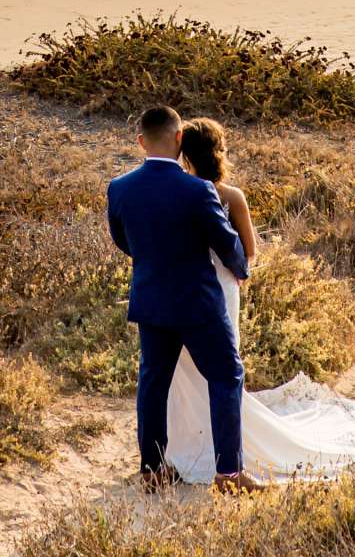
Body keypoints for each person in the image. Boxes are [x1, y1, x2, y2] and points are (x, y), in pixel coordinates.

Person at [163, 114, 355, 485]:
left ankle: (185, 446)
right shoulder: (230, 196)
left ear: (182, 152)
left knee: (184, 370)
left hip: (178, 290)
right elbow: (249, 250)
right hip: (221, 287)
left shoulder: (174, 193)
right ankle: (224, 455)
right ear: (218, 152)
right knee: (222, 369)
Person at [106, 102, 260, 496]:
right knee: (226, 376)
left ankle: (152, 471)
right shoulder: (199, 190)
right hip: (199, 305)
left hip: (152, 302)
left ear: (140, 141)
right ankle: (228, 473)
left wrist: (155, 265)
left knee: (153, 384)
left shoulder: (119, 188)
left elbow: (124, 242)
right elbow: (227, 244)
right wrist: (241, 269)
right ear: (178, 138)